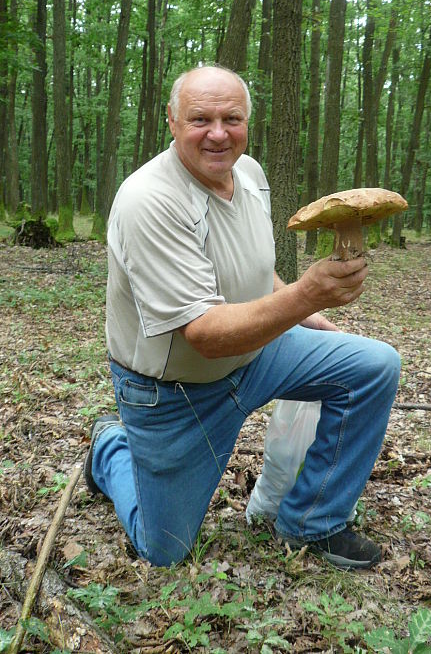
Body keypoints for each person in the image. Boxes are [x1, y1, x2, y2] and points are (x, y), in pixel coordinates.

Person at [85, 65, 400, 569]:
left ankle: (313, 521)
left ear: (248, 122)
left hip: (256, 355)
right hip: (176, 391)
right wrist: (305, 297)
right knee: (165, 550)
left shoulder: (250, 174)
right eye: (199, 118)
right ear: (170, 120)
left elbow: (253, 264)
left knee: (373, 365)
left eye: (232, 118)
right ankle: (109, 449)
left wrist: (302, 314)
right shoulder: (150, 201)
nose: (217, 133)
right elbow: (205, 335)